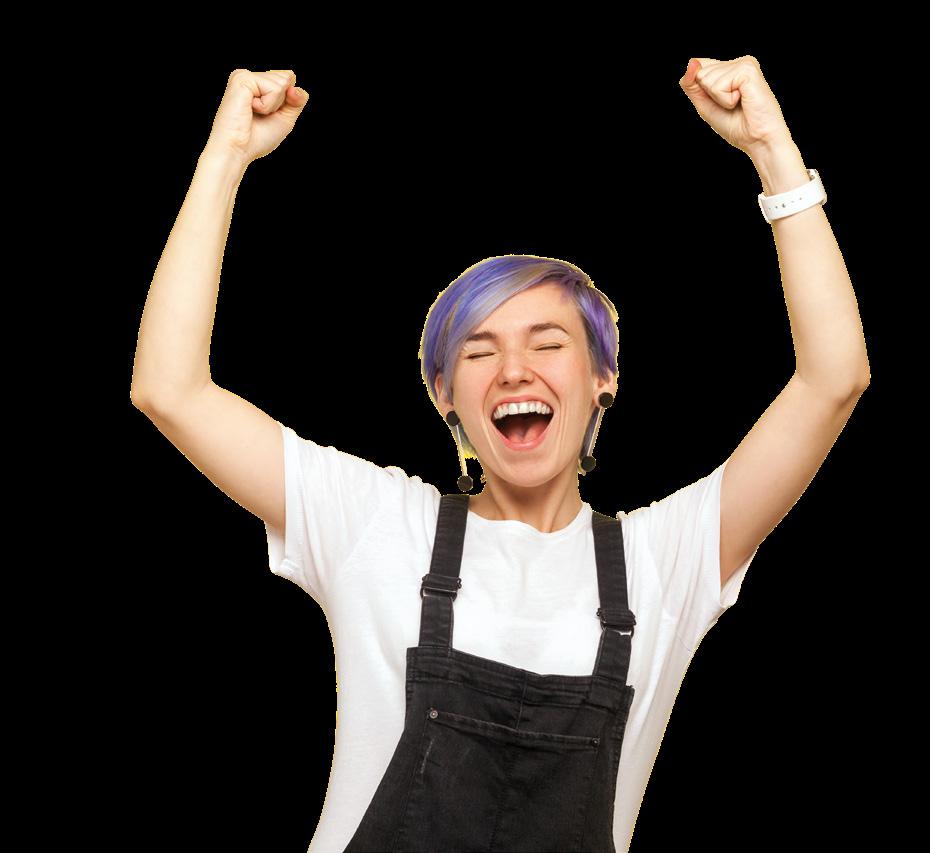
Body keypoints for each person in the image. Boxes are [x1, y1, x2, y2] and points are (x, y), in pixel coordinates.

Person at [130, 65, 869, 853]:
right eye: (479, 352)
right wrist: (225, 157)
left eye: (547, 344)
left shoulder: (667, 559)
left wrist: (771, 150)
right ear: (445, 394)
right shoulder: (375, 523)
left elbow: (834, 379)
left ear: (603, 377)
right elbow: (170, 389)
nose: (514, 369)